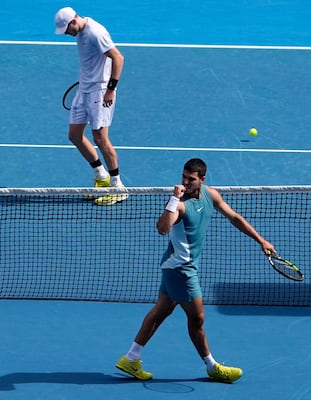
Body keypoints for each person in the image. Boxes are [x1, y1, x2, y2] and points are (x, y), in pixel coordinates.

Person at [116, 158, 276, 383]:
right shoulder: (179, 205)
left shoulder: (211, 194)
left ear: (202, 179)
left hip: (174, 266)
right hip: (181, 270)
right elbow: (163, 229)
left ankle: (131, 358)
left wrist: (261, 240)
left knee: (161, 311)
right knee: (197, 318)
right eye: (183, 177)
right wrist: (173, 199)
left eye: (191, 179)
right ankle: (212, 366)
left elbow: (234, 217)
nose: (185, 182)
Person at [54, 7, 127, 206]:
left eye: (66, 29)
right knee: (74, 135)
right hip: (84, 90)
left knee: (101, 138)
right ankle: (101, 175)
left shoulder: (96, 32)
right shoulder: (80, 31)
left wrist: (110, 89)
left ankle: (118, 186)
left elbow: (118, 58)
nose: (67, 34)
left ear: (73, 21)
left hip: (100, 91)